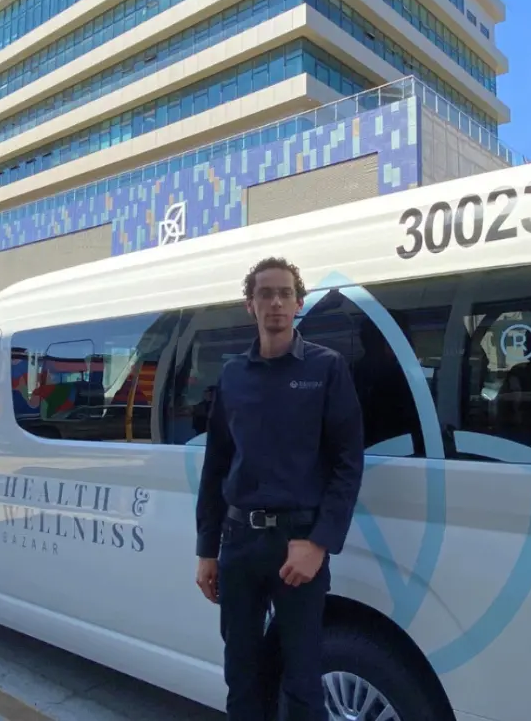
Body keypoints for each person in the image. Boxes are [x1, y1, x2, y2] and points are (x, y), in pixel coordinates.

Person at [195, 256, 365, 721]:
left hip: (299, 544)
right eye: (265, 294)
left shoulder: (326, 368)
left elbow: (348, 463)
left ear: (299, 303)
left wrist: (319, 542)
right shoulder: (233, 375)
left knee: (304, 681)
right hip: (239, 543)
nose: (275, 302)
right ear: (249, 304)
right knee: (241, 677)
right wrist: (207, 549)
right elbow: (216, 464)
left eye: (285, 293)